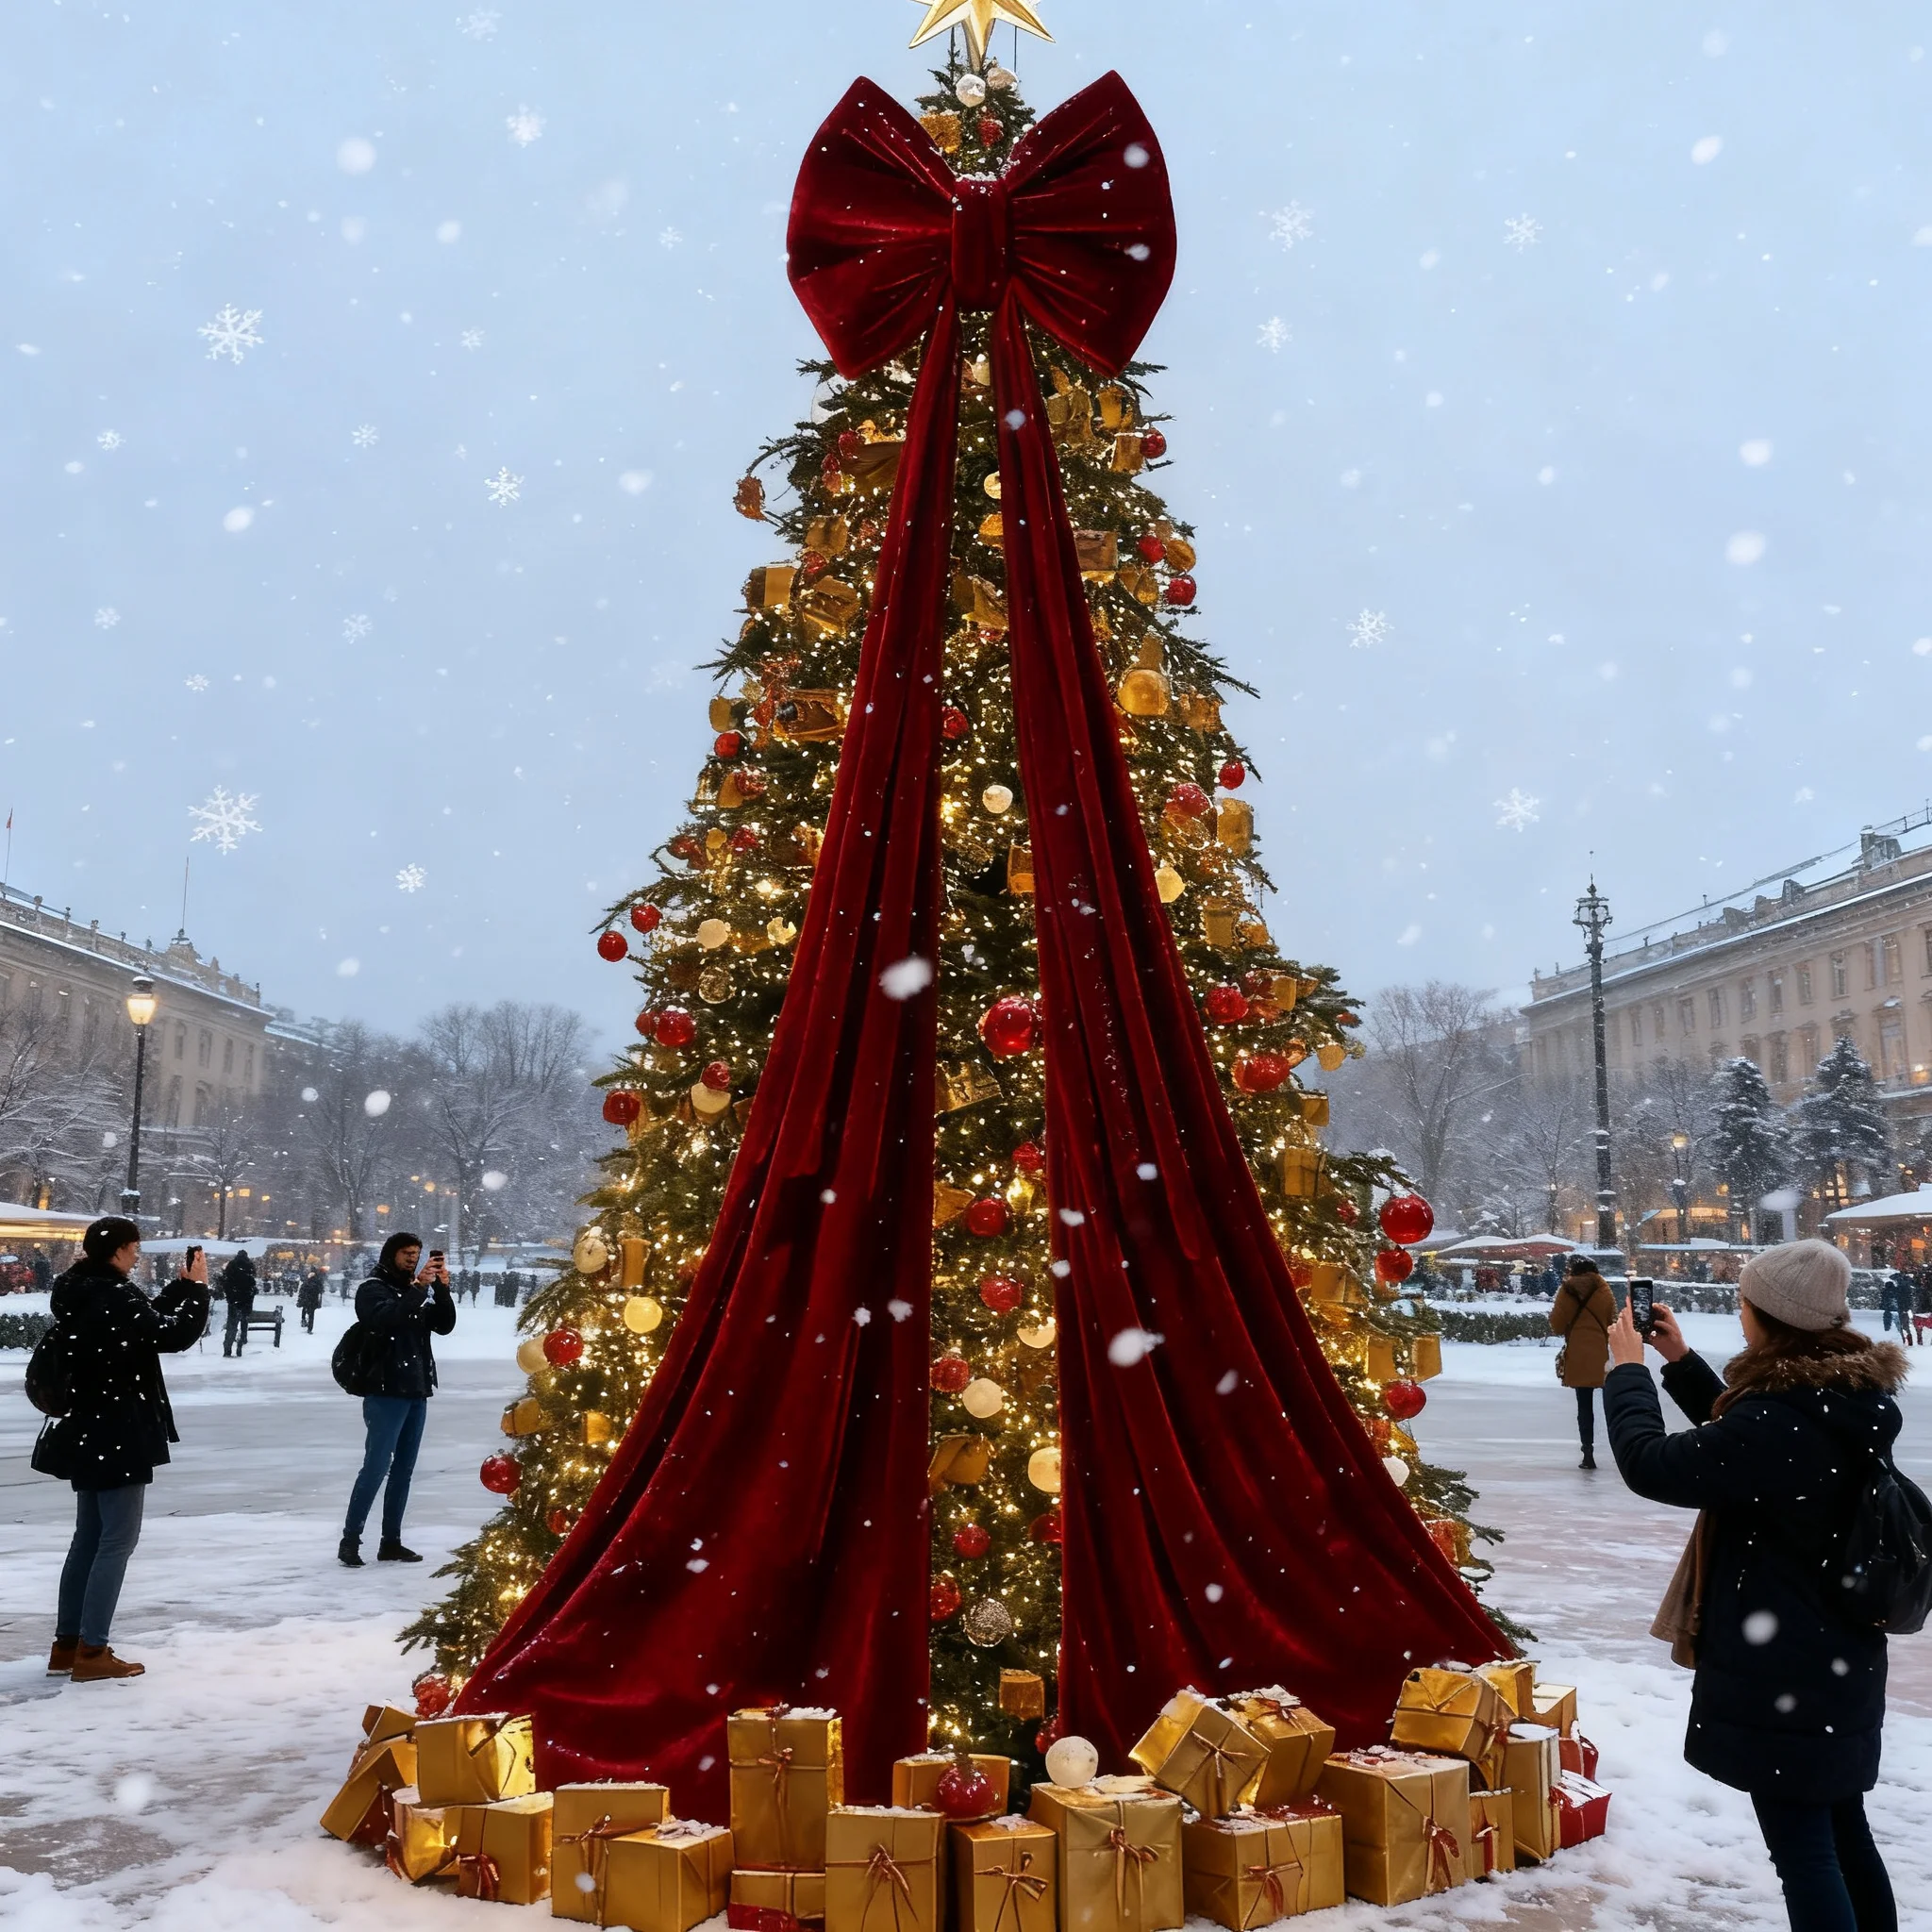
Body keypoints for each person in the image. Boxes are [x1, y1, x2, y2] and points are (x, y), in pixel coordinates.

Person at [1604, 1240, 1904, 1932]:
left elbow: (1653, 1464)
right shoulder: (1839, 1396)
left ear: (1769, 1316)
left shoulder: (1780, 1419)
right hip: (1837, 1657)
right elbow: (1763, 1451)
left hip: (1785, 1668)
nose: (1738, 1312)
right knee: (1843, 1835)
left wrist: (1628, 1373)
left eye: (1744, 1301)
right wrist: (1681, 1366)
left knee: (1805, 1855)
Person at [31, 1218, 210, 1680]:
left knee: (88, 1539)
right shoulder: (113, 1295)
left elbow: (144, 1321)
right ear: (118, 1251)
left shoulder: (84, 1289)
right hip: (118, 1428)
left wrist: (179, 1288)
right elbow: (170, 1336)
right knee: (116, 1541)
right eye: (134, 1249)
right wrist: (200, 1293)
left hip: (88, 1427)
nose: (138, 1256)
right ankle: (93, 1651)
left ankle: (67, 1645)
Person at [340, 1231, 456, 1568]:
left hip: (416, 1389)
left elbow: (444, 1325)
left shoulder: (413, 1291)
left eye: (416, 1253)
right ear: (391, 1255)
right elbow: (385, 1319)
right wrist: (420, 1289)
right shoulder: (373, 1289)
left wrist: (441, 1290)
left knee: (404, 1470)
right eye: (406, 1253)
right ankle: (350, 1539)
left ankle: (391, 1541)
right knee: (376, 1467)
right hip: (385, 1388)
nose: (411, 1258)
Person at [1550, 1252, 1616, 1469]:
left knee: (1584, 1406)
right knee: (1612, 1405)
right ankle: (1621, 1447)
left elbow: (1557, 1325)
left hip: (1578, 1353)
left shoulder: (1566, 1290)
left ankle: (1588, 1453)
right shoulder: (1604, 1289)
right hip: (1602, 1353)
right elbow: (1612, 1321)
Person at [219, 1249, 257, 1357]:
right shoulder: (249, 1266)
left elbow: (226, 1282)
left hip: (234, 1300)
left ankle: (228, 1347)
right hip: (246, 1300)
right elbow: (252, 1283)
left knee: (232, 1324)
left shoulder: (231, 1265)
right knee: (244, 1321)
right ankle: (242, 1340)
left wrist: (230, 1295)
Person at [1880, 1265, 1914, 1344]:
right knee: (1904, 1325)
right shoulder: (1906, 1284)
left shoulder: (1898, 1287)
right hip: (1903, 1307)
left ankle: (1904, 1340)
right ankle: (1908, 1340)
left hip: (1900, 1307)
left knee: (1901, 1325)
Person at [297, 1264, 327, 1334]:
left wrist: (300, 1299)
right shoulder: (317, 1280)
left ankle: (303, 1320)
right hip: (313, 1299)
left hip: (306, 1298)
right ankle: (310, 1329)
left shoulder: (307, 1280)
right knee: (311, 1315)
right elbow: (321, 1290)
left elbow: (302, 1289)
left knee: (304, 1308)